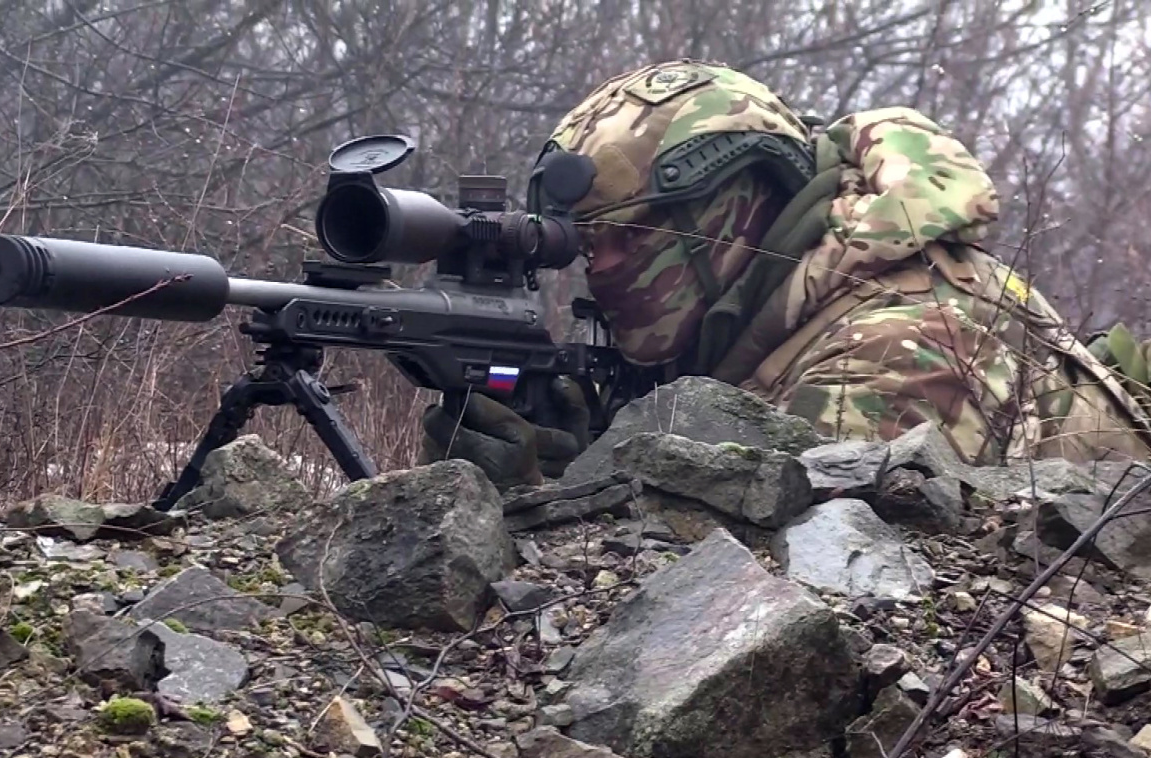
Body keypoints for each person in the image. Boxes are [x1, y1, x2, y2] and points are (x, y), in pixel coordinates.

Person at [418, 58, 1151, 489]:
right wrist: (572, 451)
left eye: (633, 235)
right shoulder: (761, 322)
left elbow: (761, 611)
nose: (601, 267)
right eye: (584, 244)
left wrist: (543, 500)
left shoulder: (899, 350)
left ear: (746, 203)